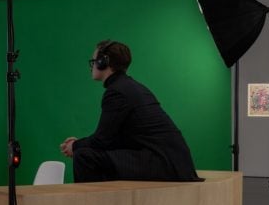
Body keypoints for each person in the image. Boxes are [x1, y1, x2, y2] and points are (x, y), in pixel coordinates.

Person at [60, 40, 200, 183]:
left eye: (94, 61)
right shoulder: (130, 86)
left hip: (163, 163)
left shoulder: (117, 92)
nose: (92, 66)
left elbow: (102, 140)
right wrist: (81, 144)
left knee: (84, 156)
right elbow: (113, 139)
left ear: (104, 61)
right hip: (175, 164)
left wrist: (76, 146)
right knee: (93, 153)